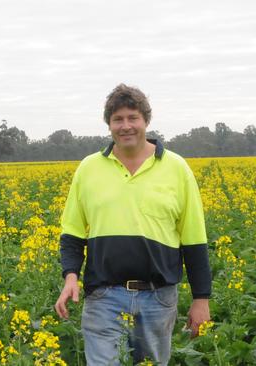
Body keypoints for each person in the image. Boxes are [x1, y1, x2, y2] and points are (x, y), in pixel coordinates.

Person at [54, 84, 211, 365]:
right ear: (109, 124)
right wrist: (70, 276)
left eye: (132, 118)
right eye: (118, 119)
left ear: (146, 121)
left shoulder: (177, 169)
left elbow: (194, 241)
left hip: (158, 297)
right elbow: (73, 234)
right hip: (103, 296)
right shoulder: (89, 169)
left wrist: (201, 299)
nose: (126, 126)